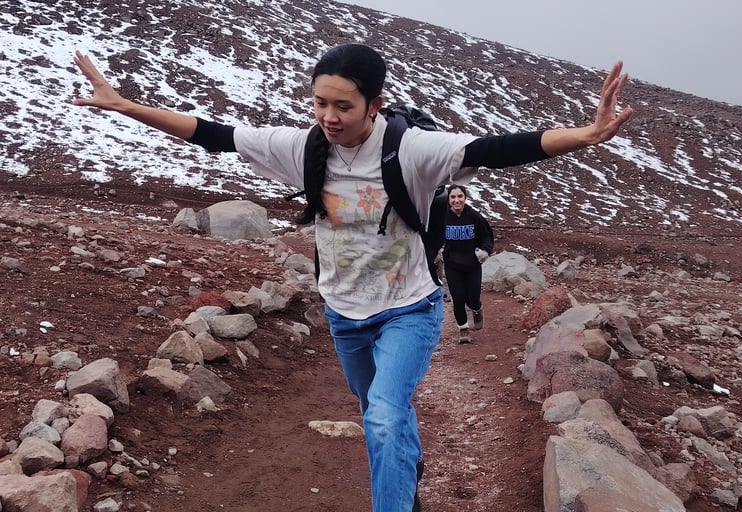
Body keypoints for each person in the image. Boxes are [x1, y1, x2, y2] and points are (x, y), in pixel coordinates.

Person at [72, 42, 633, 512]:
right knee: (380, 418)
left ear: (374, 105)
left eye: (343, 105)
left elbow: (495, 148)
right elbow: (212, 133)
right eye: (319, 103)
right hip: (345, 316)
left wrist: (584, 134)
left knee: (385, 418)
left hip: (408, 310)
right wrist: (124, 105)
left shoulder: (410, 149)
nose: (329, 116)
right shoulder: (304, 147)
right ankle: (405, 480)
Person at [442, 184, 493, 343]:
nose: (456, 200)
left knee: (472, 298)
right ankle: (463, 329)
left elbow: (486, 236)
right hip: (452, 265)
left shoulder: (474, 217)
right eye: (453, 197)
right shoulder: (442, 217)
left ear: (465, 198)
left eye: (460, 197)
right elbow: (433, 236)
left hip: (472, 265)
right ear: (448, 199)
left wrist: (485, 251)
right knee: (458, 298)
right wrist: (435, 252)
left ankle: (477, 309)